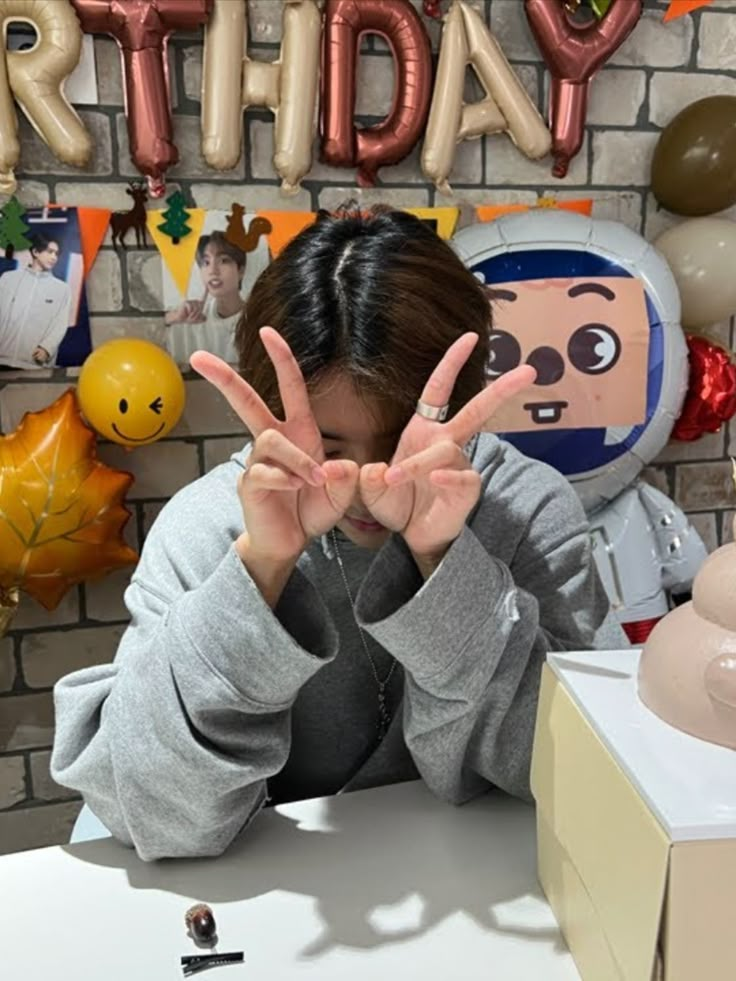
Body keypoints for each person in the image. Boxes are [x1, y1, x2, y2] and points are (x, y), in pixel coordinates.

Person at [51, 205, 624, 862]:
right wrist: (260, 568)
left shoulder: (524, 507)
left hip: (483, 879)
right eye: (328, 445)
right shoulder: (207, 525)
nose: (368, 481)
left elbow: (588, 771)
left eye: (402, 438)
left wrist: (442, 558)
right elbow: (150, 811)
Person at [164, 231, 246, 365]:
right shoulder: (191, 316)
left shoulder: (257, 319)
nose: (213, 270)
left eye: (224, 261)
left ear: (241, 270)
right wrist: (174, 317)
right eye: (206, 262)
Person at [0, 233, 72, 369]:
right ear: (35, 252)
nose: (54, 257)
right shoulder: (8, 279)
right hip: (2, 359)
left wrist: (46, 348)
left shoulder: (62, 289)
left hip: (34, 365)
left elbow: (60, 323)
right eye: (50, 252)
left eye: (56, 253)